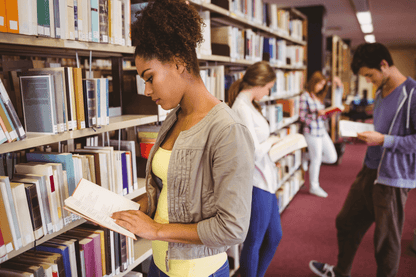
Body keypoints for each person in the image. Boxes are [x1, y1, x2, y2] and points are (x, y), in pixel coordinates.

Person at [110, 1, 255, 276]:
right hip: (159, 263)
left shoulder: (227, 129)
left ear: (178, 62)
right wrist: (129, 210)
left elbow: (232, 227)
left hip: (198, 271)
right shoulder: (173, 118)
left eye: (150, 78)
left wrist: (155, 230)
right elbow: (170, 192)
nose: (146, 90)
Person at [309, 42, 416, 277]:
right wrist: (364, 138)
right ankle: (341, 271)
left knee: (386, 243)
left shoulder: (412, 94)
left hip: (392, 179)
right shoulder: (379, 92)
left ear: (384, 65)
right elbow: (382, 130)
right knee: (346, 222)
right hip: (368, 170)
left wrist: (384, 140)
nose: (369, 81)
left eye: (370, 75)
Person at [228, 61, 283, 277]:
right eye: (268, 87)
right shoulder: (240, 108)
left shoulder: (250, 105)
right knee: (254, 240)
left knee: (274, 236)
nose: (268, 92)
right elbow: (251, 153)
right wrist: (273, 142)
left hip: (267, 180)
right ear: (259, 83)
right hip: (255, 183)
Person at [299, 71, 339, 198]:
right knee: (316, 160)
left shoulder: (318, 97)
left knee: (332, 157)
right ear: (313, 82)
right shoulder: (305, 96)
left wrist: (327, 114)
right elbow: (302, 117)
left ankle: (306, 156)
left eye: (323, 85)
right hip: (311, 132)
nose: (320, 87)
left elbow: (322, 116)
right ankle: (314, 187)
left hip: (322, 131)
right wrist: (317, 115)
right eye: (319, 84)